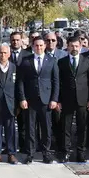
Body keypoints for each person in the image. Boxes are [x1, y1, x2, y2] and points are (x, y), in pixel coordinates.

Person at [17, 36, 59, 164]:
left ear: (45, 46)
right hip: (30, 100)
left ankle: (46, 153)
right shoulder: (26, 60)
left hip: (46, 100)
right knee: (30, 128)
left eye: (41, 45)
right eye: (36, 45)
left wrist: (54, 99)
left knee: (46, 128)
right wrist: (22, 98)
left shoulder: (52, 60)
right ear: (32, 46)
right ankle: (30, 153)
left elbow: (56, 81)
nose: (39, 48)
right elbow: (20, 82)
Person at [57, 35, 89, 163]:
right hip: (67, 99)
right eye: (72, 46)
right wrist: (58, 100)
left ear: (81, 46)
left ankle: (81, 152)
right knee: (65, 127)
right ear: (67, 46)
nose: (74, 48)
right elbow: (58, 82)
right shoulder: (61, 62)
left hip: (83, 99)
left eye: (77, 46)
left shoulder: (87, 61)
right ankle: (65, 152)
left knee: (82, 127)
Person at [0, 43, 18, 164]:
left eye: (5, 53)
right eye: (0, 52)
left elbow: (18, 87)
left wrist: (18, 103)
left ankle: (11, 153)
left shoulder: (15, 67)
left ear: (9, 54)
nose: (3, 55)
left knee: (11, 129)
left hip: (10, 104)